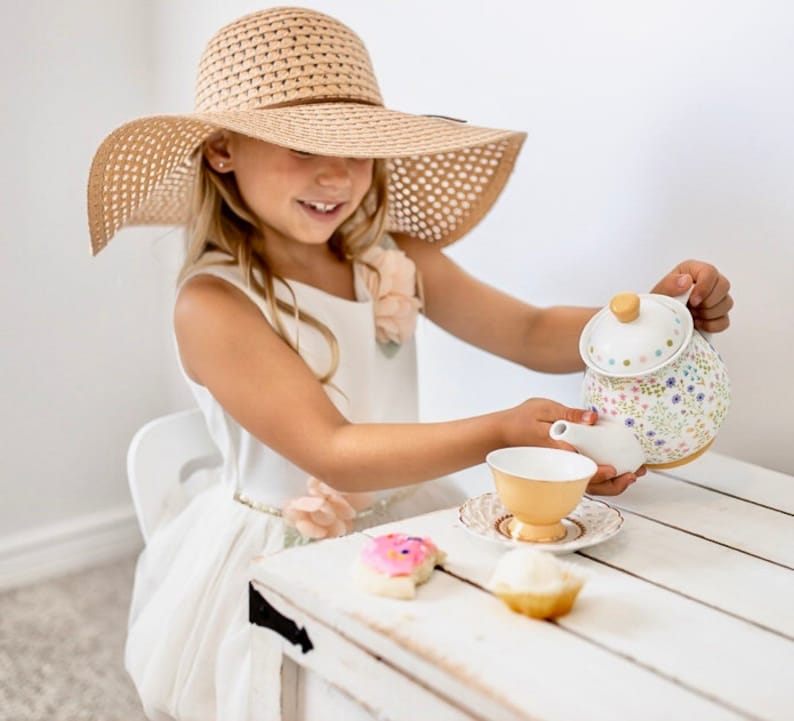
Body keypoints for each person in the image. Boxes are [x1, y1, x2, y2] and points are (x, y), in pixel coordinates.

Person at [86, 7, 733, 721]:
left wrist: (651, 317)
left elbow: (527, 328)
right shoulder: (212, 305)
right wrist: (502, 431)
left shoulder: (392, 257)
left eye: (356, 147)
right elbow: (334, 451)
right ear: (222, 151)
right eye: (301, 147)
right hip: (291, 544)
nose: (336, 174)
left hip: (407, 515)